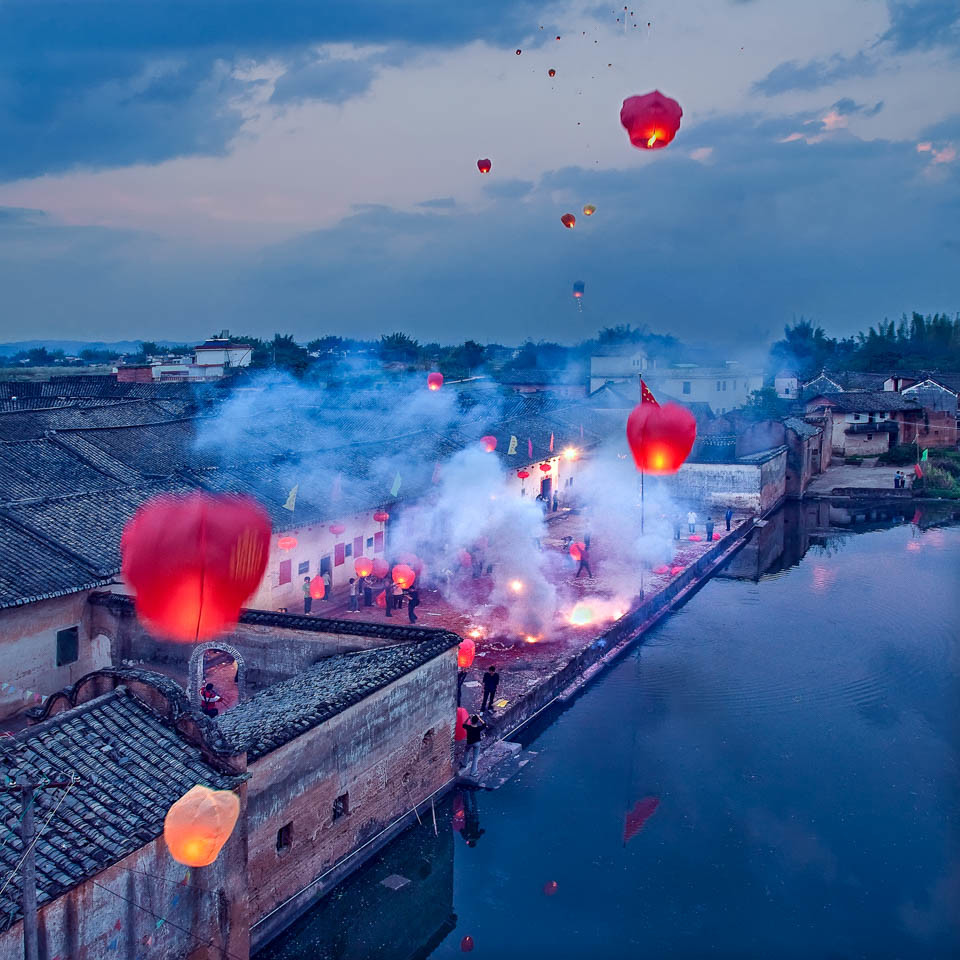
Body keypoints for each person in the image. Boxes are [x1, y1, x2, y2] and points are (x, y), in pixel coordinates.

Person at [462, 714, 486, 779]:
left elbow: (463, 724)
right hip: (477, 743)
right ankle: (473, 773)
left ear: (471, 721)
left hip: (469, 743)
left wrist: (468, 718)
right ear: (477, 721)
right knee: (475, 758)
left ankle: (464, 764)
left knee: (466, 751)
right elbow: (484, 724)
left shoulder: (468, 727)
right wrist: (479, 718)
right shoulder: (478, 728)